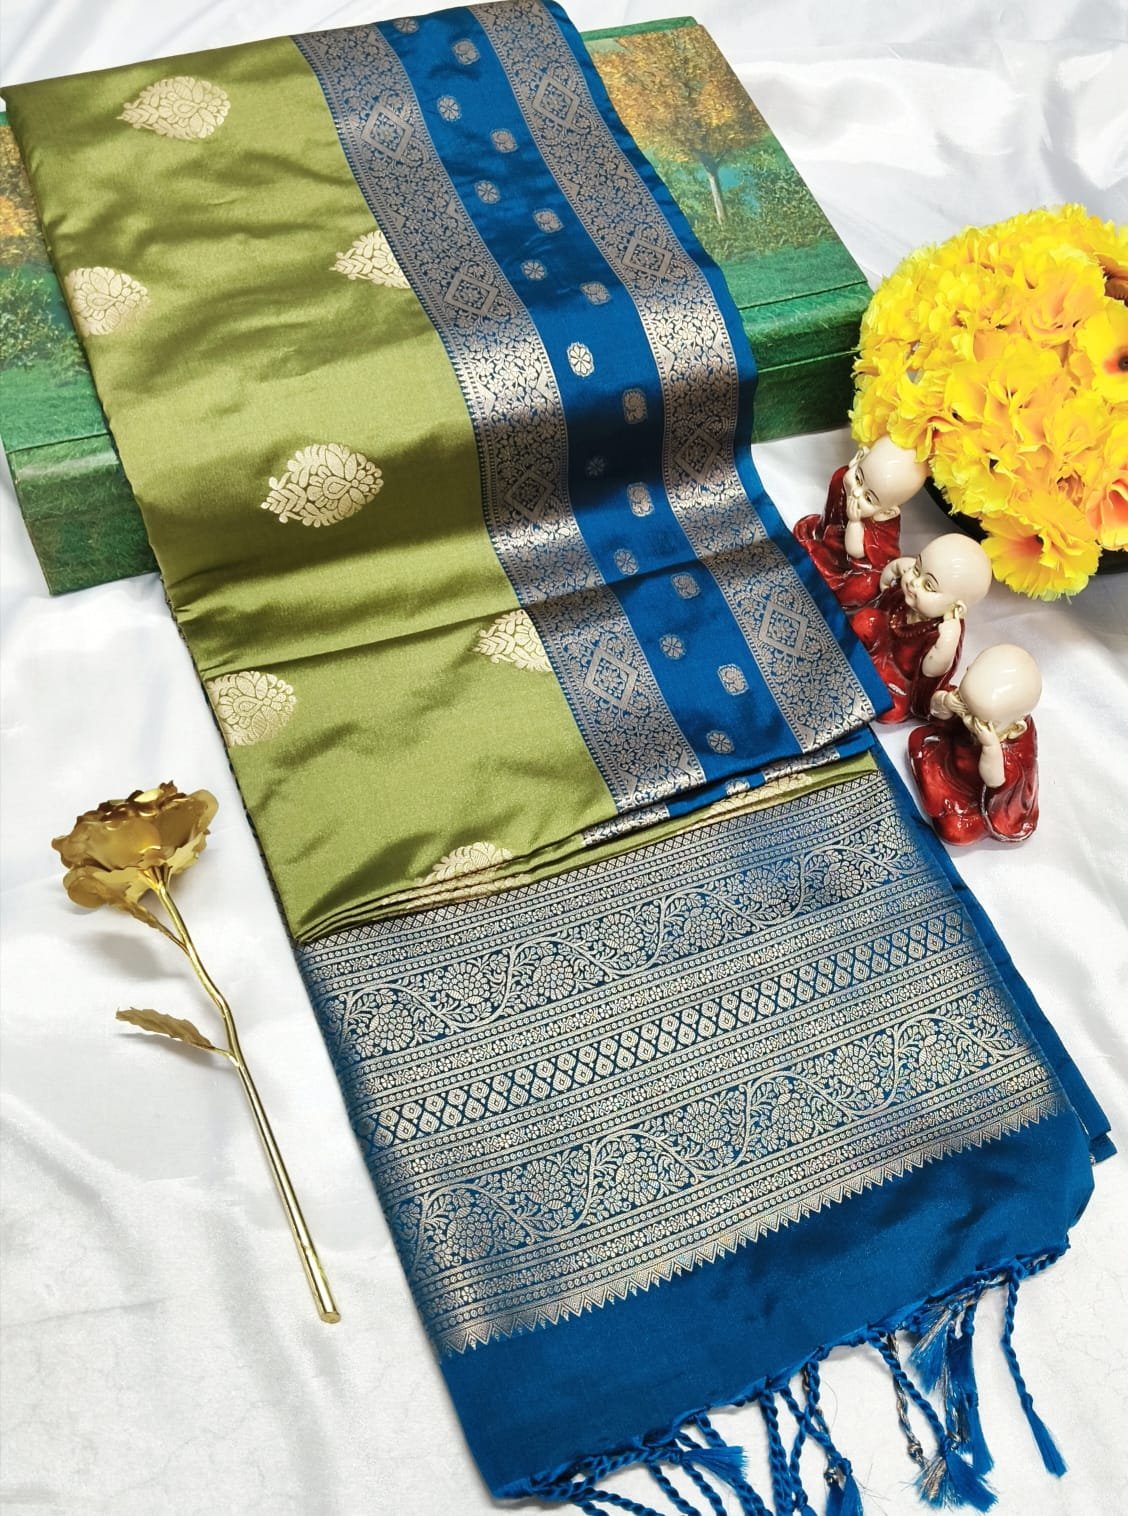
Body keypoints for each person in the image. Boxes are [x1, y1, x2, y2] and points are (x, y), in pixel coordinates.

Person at [851, 533, 993, 723]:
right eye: (917, 569)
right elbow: (886, 589)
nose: (913, 583)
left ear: (956, 609)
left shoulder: (941, 633)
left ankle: (861, 672)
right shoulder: (906, 596)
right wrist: (894, 570)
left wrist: (947, 644)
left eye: (928, 586)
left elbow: (930, 672)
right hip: (881, 642)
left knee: (891, 709)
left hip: (897, 678)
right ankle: (855, 660)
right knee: (864, 621)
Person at [908, 643, 1041, 844]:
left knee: (955, 832)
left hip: (974, 792)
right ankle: (936, 791)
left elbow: (997, 784)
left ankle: (943, 802)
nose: (967, 718)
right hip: (950, 757)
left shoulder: (1015, 752)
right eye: (964, 704)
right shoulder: (972, 701)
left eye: (978, 720)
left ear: (1015, 728)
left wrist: (990, 748)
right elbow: (935, 712)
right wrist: (945, 701)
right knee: (920, 740)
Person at [793, 436, 927, 610]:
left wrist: (855, 522)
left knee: (867, 587)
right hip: (830, 544)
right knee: (805, 528)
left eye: (868, 498)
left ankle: (827, 585)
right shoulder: (841, 480)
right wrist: (823, 534)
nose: (856, 492)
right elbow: (827, 519)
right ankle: (816, 557)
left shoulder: (884, 526)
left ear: (888, 512)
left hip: (856, 567)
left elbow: (856, 551)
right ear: (858, 457)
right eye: (858, 478)